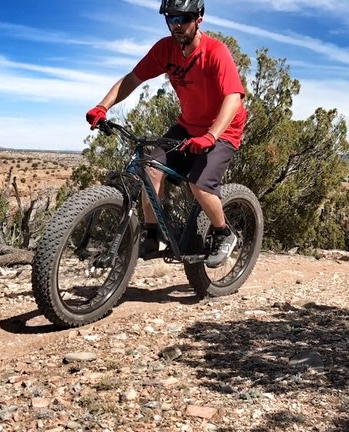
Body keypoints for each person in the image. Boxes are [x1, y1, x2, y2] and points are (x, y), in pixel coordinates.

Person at [85, 0, 247, 268]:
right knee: (150, 169)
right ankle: (152, 234)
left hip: (224, 128)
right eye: (171, 18)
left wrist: (211, 135)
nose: (176, 25)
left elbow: (233, 97)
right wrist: (103, 106)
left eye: (183, 19)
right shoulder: (165, 49)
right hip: (188, 125)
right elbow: (132, 79)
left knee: (200, 184)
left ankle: (223, 233)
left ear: (199, 19)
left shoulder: (216, 52)